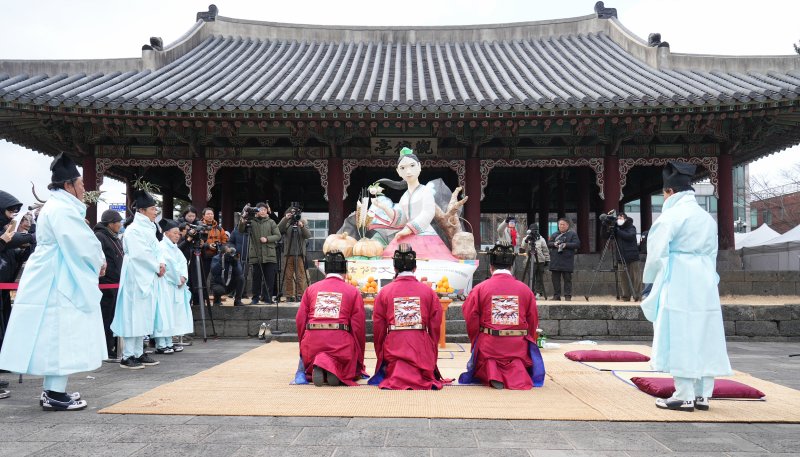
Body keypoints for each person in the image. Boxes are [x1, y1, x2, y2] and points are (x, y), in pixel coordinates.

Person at [0, 153, 107, 410]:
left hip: (54, 272)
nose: (84, 189)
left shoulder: (58, 206)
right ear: (69, 185)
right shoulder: (62, 209)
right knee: (60, 334)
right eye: (81, 184)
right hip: (58, 276)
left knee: (56, 334)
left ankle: (54, 390)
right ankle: (54, 394)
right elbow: (80, 244)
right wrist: (99, 261)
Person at [642, 161, 731, 412]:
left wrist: (650, 283)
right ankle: (703, 394)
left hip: (679, 276)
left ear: (669, 191)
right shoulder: (706, 218)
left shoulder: (671, 216)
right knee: (705, 332)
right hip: (704, 277)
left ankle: (684, 394)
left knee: (680, 332)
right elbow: (713, 252)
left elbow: (657, 253)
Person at [459, 241, 544, 390]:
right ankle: (515, 374)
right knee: (518, 360)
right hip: (517, 345)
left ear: (491, 267)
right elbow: (532, 320)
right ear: (512, 267)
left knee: (488, 358)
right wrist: (527, 339)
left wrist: (476, 340)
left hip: (490, 344)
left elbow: (471, 317)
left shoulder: (480, 288)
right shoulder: (525, 289)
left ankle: (494, 373)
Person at [369, 244, 447, 390]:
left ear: (395, 268)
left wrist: (381, 352)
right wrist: (431, 346)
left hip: (395, 346)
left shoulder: (384, 292)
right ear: (415, 267)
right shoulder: (428, 292)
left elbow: (379, 328)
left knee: (393, 362)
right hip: (420, 346)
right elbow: (435, 325)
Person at [370, 147, 457, 260]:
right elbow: (401, 219)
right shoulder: (404, 197)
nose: (408, 171)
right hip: (405, 236)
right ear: (398, 172)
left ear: (419, 167)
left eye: (412, 166)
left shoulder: (425, 191)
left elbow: (428, 213)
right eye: (403, 168)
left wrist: (409, 229)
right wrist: (383, 207)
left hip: (425, 235)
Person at [295, 250, 365, 386]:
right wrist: (359, 356)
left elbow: (300, 320)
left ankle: (319, 365)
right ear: (344, 270)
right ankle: (335, 369)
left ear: (325, 270)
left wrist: (303, 343)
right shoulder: (353, 291)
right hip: (339, 343)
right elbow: (358, 326)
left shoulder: (311, 289)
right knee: (346, 355)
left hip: (312, 343)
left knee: (313, 349)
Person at [111, 189, 164, 370]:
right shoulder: (134, 229)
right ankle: (128, 355)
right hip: (135, 275)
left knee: (143, 314)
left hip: (147, 274)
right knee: (132, 314)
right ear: (141, 210)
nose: (155, 212)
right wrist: (157, 265)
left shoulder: (149, 228)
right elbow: (140, 254)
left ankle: (138, 351)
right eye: (152, 208)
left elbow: (157, 249)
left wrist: (161, 263)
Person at [152, 219, 191, 354]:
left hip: (176, 285)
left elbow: (183, 262)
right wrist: (177, 279)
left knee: (171, 315)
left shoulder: (174, 248)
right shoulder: (162, 246)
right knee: (163, 314)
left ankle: (168, 342)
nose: (177, 235)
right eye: (174, 233)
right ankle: (161, 344)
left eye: (178, 233)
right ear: (167, 233)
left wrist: (183, 277)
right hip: (166, 284)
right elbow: (168, 266)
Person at [1, 190, 34, 347]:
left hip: (4, 289)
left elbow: (12, 254)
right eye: (9, 212)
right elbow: (12, 240)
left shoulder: (5, 231)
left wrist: (25, 251)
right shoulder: (5, 234)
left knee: (5, 323)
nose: (12, 216)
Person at [94, 209, 124, 359]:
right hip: (106, 284)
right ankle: (105, 348)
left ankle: (112, 345)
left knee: (113, 317)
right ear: (110, 223)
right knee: (106, 317)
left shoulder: (114, 237)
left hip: (115, 283)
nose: (120, 225)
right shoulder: (100, 236)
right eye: (118, 222)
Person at [241, 202, 281, 305]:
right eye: (260, 210)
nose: (263, 211)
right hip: (256, 254)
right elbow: (241, 229)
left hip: (270, 254)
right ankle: (255, 298)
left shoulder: (271, 222)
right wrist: (243, 219)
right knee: (256, 278)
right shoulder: (251, 221)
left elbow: (278, 236)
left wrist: (267, 239)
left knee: (269, 278)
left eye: (265, 210)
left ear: (267, 211)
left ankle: (267, 298)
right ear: (257, 211)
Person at [601, 211, 642, 302]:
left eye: (621, 217)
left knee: (636, 278)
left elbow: (630, 236)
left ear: (625, 219)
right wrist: (604, 225)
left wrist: (617, 231)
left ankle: (637, 296)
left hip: (632, 257)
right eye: (618, 218)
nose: (619, 219)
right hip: (621, 257)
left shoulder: (631, 227)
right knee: (623, 278)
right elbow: (604, 236)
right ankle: (625, 296)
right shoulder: (616, 228)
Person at [278, 203, 311, 302]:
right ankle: (289, 295)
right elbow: (278, 230)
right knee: (288, 276)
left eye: (295, 212)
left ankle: (300, 295)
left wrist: (302, 226)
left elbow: (308, 235)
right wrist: (285, 218)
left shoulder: (302, 222)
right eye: (291, 212)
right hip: (288, 253)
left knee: (300, 275)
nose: (293, 214)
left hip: (300, 253)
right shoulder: (287, 222)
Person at [547, 218, 580, 301]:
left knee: (567, 279)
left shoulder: (572, 234)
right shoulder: (555, 234)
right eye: (560, 224)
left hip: (567, 260)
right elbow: (549, 243)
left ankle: (567, 296)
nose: (561, 226)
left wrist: (566, 245)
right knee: (555, 279)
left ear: (567, 225)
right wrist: (554, 244)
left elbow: (577, 244)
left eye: (563, 224)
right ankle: (556, 296)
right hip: (555, 260)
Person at [525, 226, 550, 298]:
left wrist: (547, 259)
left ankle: (538, 292)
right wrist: (527, 239)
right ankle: (530, 292)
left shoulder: (541, 239)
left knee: (539, 278)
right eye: (533, 230)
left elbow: (545, 250)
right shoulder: (527, 238)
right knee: (531, 277)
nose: (534, 232)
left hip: (540, 260)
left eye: (535, 230)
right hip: (530, 261)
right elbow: (523, 246)